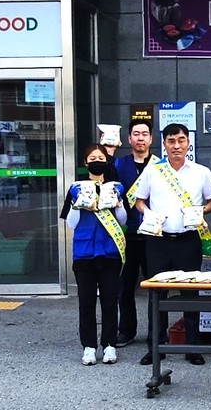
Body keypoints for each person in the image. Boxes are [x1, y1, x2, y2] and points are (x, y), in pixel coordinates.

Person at [134, 123, 211, 366]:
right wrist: (148, 213)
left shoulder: (201, 172)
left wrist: (201, 211)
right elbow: (139, 201)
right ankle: (155, 347)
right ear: (164, 144)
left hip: (188, 240)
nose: (176, 145)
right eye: (171, 141)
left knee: (190, 293)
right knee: (156, 293)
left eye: (181, 140)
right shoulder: (152, 171)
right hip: (158, 241)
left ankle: (193, 347)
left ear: (188, 143)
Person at [62, 144, 127, 366]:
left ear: (107, 162)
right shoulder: (76, 188)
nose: (97, 161)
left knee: (110, 301)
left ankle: (109, 345)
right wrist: (77, 204)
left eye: (101, 158)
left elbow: (123, 220)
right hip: (84, 254)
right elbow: (71, 224)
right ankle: (89, 347)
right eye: (92, 158)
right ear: (85, 162)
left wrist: (118, 204)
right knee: (86, 302)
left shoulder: (116, 187)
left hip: (110, 253)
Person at [113, 119, 159, 348]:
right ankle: (126, 330)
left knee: (155, 287)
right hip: (126, 234)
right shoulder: (118, 165)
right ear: (129, 138)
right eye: (136, 133)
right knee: (125, 286)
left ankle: (156, 333)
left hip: (154, 236)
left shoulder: (161, 166)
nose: (141, 138)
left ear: (151, 138)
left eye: (145, 134)